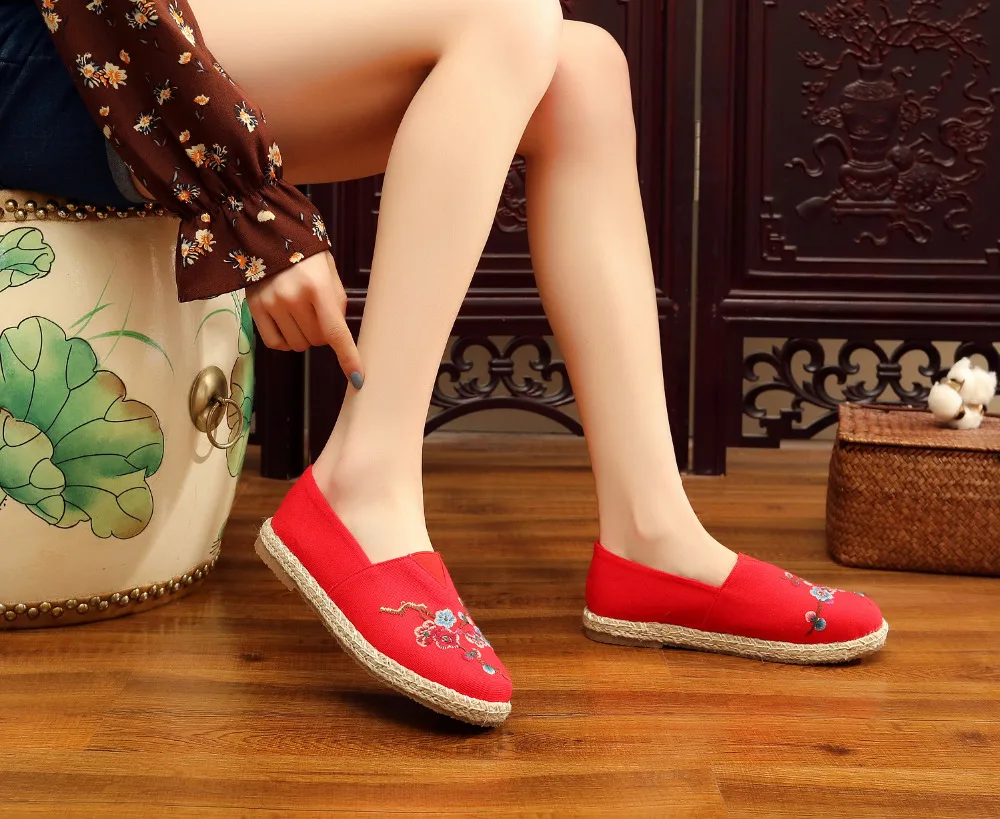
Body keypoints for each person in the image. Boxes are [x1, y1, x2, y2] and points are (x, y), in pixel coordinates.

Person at [5, 0, 888, 726]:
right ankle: (365, 476)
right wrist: (248, 208)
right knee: (507, 12)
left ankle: (652, 538)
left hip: (153, 33)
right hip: (66, 46)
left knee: (584, 71)